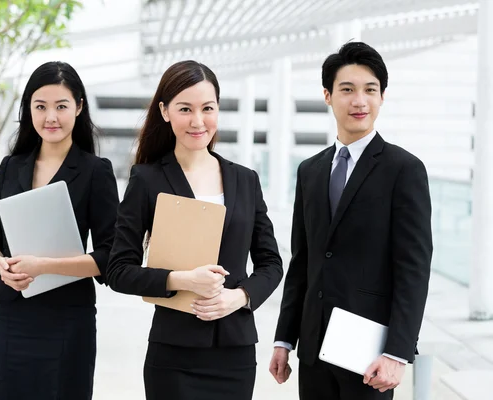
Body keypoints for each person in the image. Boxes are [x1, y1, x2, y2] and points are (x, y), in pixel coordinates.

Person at [106, 60, 283, 400]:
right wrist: (181, 280)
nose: (198, 121)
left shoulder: (245, 180)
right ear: (165, 111)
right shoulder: (146, 180)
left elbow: (271, 263)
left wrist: (239, 297)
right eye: (185, 109)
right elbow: (118, 271)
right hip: (174, 356)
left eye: (208, 108)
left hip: (236, 353)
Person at [269, 41, 433, 400]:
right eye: (347, 90)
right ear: (328, 95)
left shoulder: (403, 170)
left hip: (369, 353)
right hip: (314, 348)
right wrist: (285, 338)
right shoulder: (310, 171)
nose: (359, 101)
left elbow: (413, 270)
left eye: (370, 90)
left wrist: (397, 352)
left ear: (382, 96)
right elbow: (304, 262)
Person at [0, 61, 119, 400]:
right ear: (28, 109)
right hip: (13, 312)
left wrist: (43, 266)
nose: (50, 117)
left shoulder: (95, 171)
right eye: (40, 107)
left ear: (79, 107)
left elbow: (109, 257)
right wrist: (2, 266)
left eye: (61, 106)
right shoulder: (11, 166)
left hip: (68, 317)